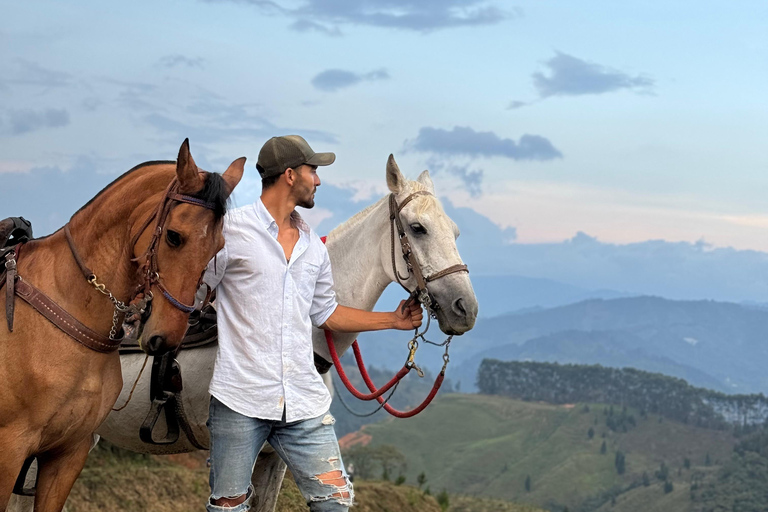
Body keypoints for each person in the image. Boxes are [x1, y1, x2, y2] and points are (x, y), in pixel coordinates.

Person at [202, 135, 423, 512]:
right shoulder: (230, 233)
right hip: (240, 400)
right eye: (313, 171)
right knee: (228, 507)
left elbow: (327, 314)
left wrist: (393, 320)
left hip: (304, 403)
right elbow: (192, 290)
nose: (318, 180)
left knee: (336, 503)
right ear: (290, 175)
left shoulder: (312, 246)